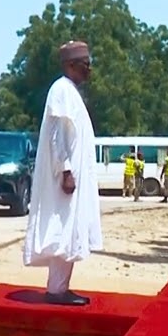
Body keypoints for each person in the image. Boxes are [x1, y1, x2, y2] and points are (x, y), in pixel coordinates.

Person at [22, 41, 104, 306]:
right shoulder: (61, 90)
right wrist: (66, 170)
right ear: (70, 65)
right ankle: (56, 290)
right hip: (65, 176)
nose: (89, 70)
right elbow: (58, 136)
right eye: (85, 65)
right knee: (63, 227)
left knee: (69, 229)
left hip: (72, 174)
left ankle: (61, 287)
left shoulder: (70, 91)